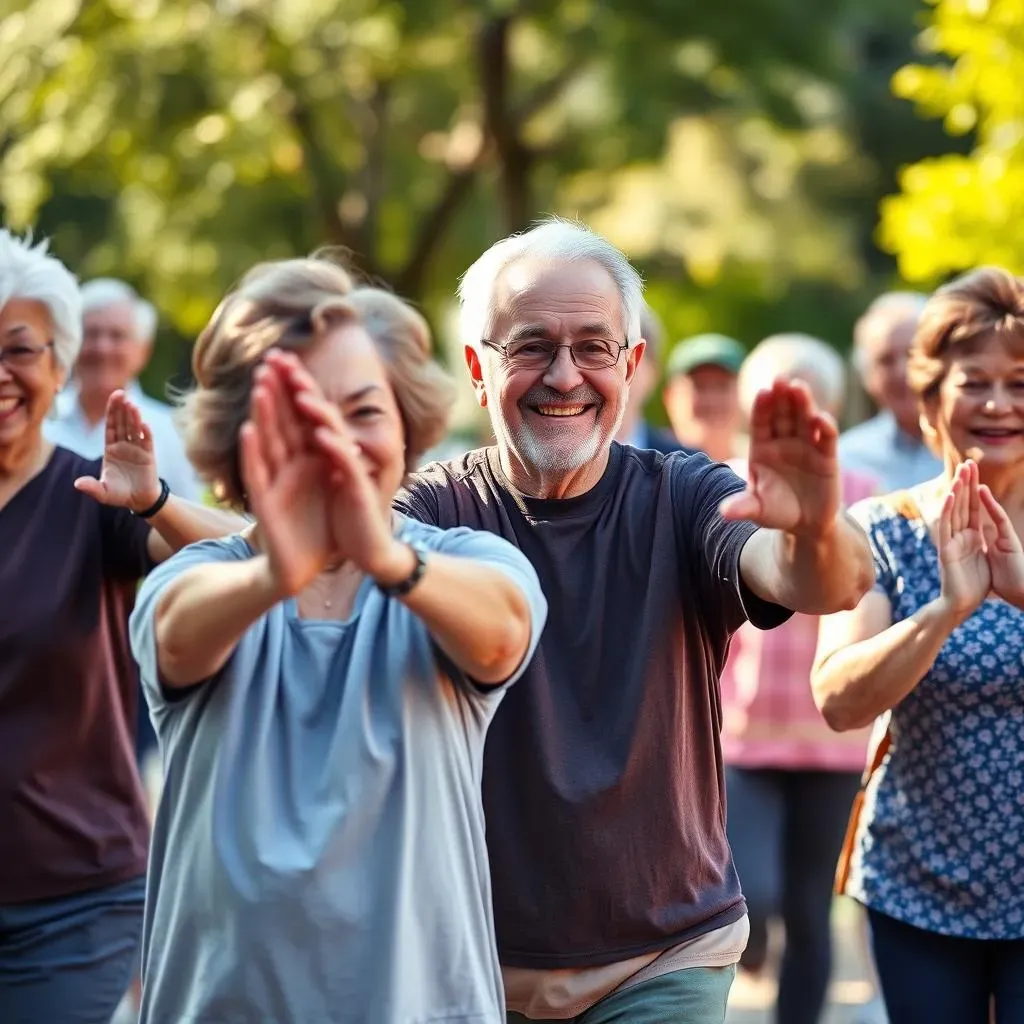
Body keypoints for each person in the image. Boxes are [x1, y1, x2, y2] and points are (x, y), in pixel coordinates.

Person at [390, 218, 874, 1023]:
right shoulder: (433, 509)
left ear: (632, 364)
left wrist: (814, 527)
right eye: (532, 346)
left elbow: (819, 579)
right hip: (464, 959)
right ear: (478, 369)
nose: (564, 375)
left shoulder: (683, 493)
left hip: (663, 957)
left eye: (593, 347)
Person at [128, 257, 547, 1024]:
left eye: (362, 412)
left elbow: (501, 634)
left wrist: (385, 558)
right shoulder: (198, 577)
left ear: (406, 424)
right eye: (301, 417)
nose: (335, 444)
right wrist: (274, 574)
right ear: (241, 441)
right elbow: (177, 637)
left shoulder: (468, 565)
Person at [0, 231, 243, 1024]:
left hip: (70, 900)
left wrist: (153, 500)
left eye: (20, 350)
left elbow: (259, 557)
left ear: (59, 366)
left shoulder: (86, 500)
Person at [813, 266, 1024, 1024]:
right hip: (919, 883)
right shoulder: (881, 526)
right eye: (975, 383)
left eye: (1019, 382)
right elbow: (837, 699)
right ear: (931, 397)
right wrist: (943, 612)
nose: (998, 403)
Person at [721, 333, 877, 1024]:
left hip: (834, 744)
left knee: (813, 911)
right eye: (772, 393)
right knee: (753, 891)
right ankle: (749, 956)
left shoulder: (867, 496)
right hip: (741, 739)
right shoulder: (719, 487)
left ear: (833, 406)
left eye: (804, 394)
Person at [46, 277, 202, 502]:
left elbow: (190, 526)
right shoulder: (37, 418)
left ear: (143, 351)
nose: (102, 348)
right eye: (91, 334)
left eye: (116, 335)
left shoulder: (174, 434)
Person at [839, 292, 942, 490]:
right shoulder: (844, 461)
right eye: (885, 360)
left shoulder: (982, 446)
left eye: (912, 354)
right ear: (867, 376)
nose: (902, 372)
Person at [614, 303, 688, 454]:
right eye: (599, 350)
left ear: (654, 371)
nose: (619, 365)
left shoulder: (686, 466)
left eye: (631, 353)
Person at [661, 331, 745, 461]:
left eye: (722, 386)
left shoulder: (764, 471)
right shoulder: (644, 468)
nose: (712, 401)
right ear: (670, 397)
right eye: (699, 386)